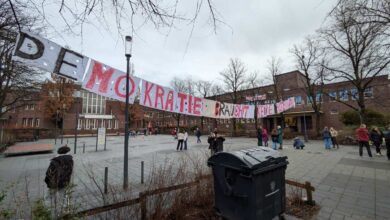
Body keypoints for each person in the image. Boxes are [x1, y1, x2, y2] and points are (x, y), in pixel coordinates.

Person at [44, 145, 74, 215]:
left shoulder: (55, 161)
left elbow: (48, 173)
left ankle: (48, 212)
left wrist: (47, 181)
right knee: (64, 197)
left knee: (49, 197)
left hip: (53, 183)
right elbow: (70, 172)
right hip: (64, 182)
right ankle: (65, 212)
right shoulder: (70, 160)